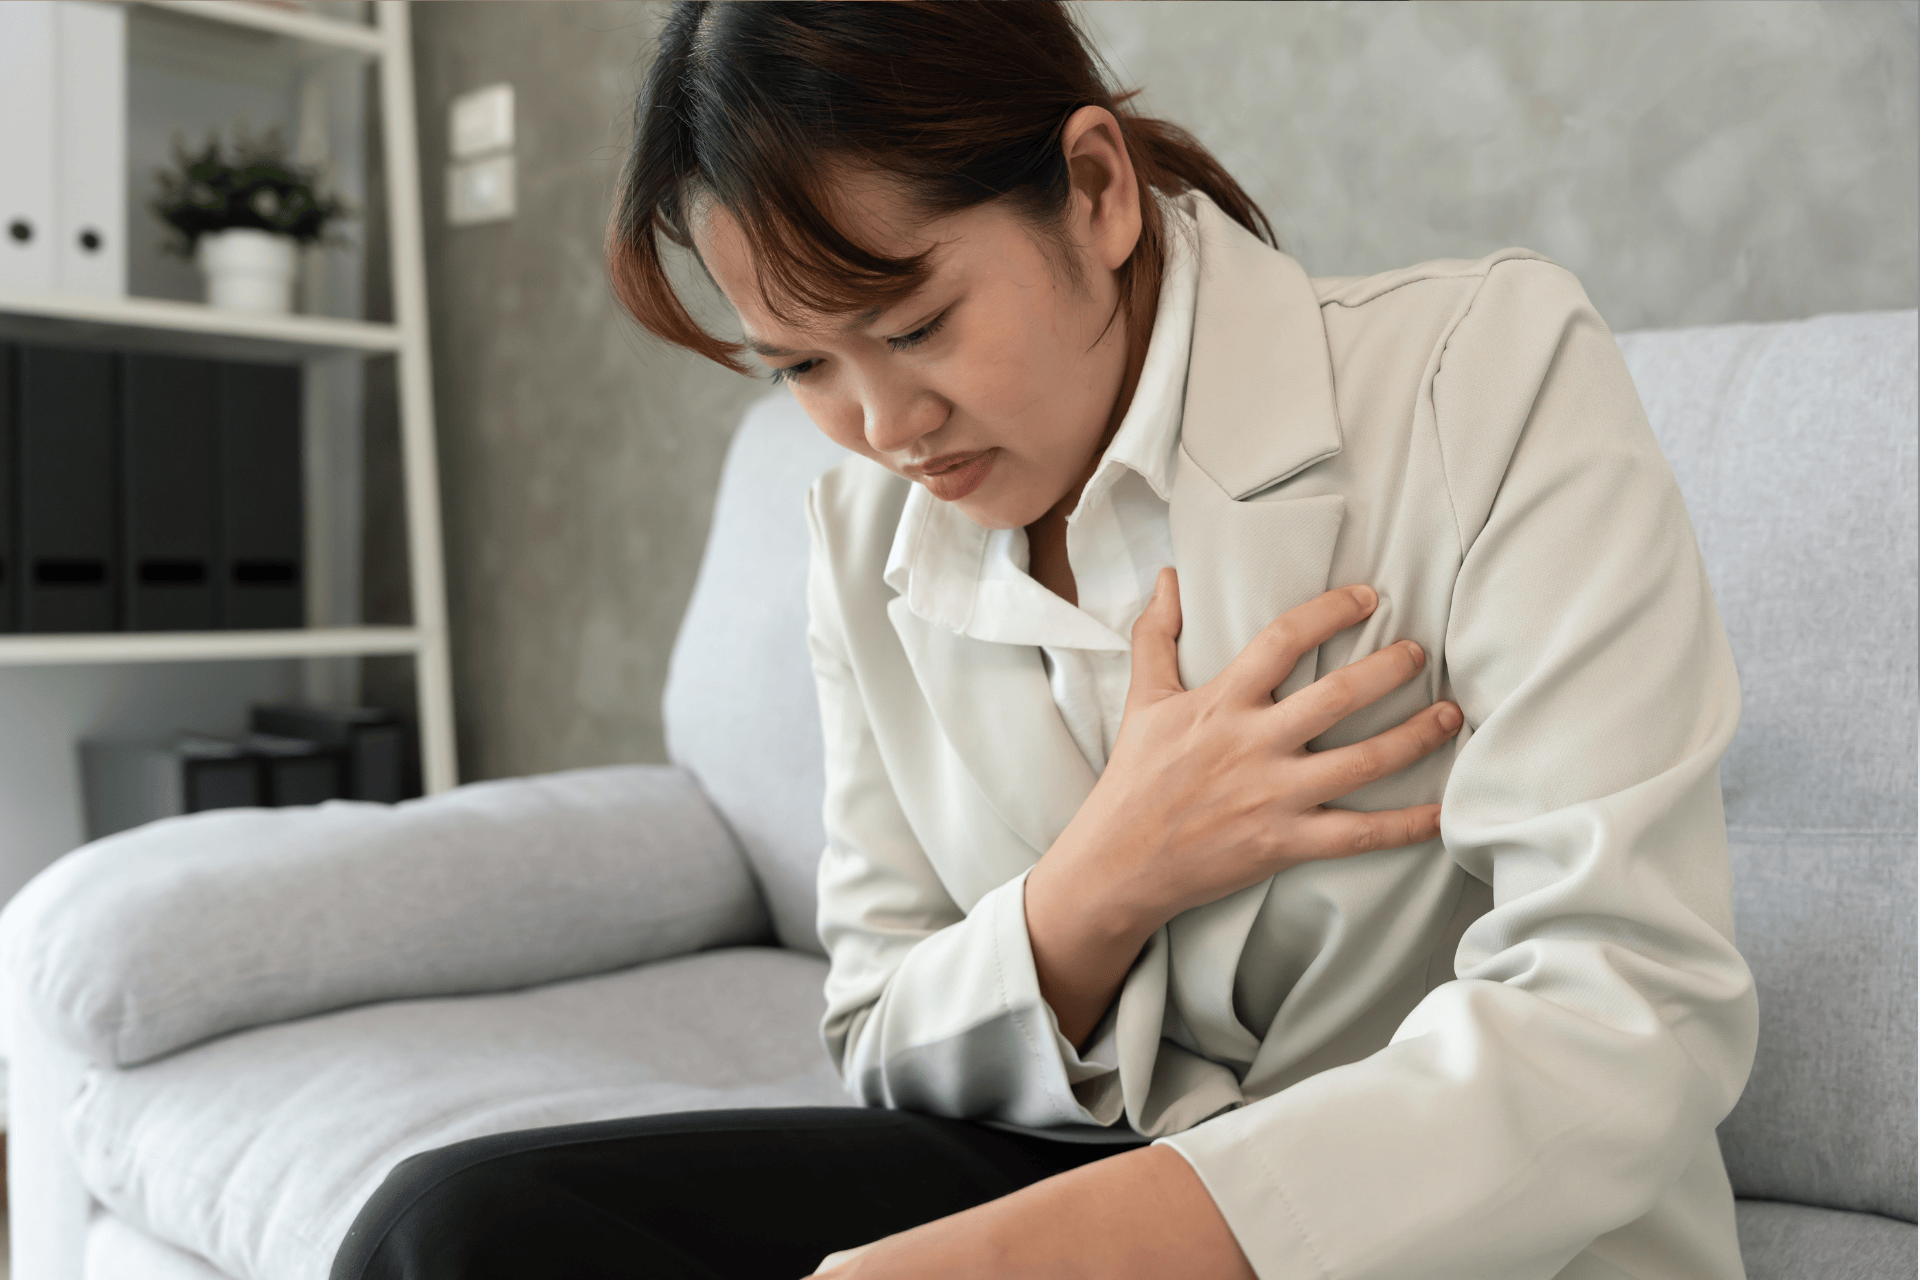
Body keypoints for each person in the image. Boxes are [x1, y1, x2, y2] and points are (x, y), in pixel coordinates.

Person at [333, 4, 1757, 1278]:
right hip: (1082, 1153)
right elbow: (882, 1029)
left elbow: (1626, 1013)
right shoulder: (857, 542)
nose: (884, 427)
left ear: (1093, 190)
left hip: (1429, 1222)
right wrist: (1098, 882)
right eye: (806, 367)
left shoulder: (1481, 373)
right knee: (452, 1234)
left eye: (915, 322)